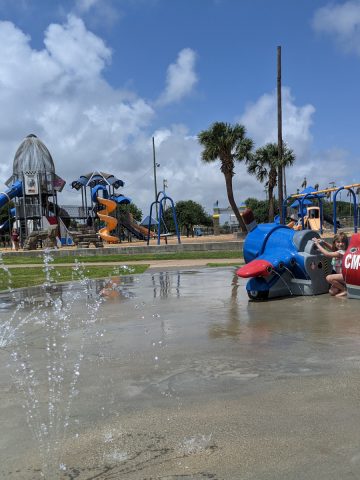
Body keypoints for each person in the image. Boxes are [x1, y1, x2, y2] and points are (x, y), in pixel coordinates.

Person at [312, 232, 349, 297]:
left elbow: (327, 254)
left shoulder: (341, 252)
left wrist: (317, 244)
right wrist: (324, 242)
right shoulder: (338, 251)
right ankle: (344, 289)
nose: (340, 244)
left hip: (344, 276)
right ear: (335, 243)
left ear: (346, 243)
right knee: (332, 292)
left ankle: (344, 290)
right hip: (341, 277)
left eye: (343, 242)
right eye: (338, 242)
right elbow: (333, 248)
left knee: (328, 278)